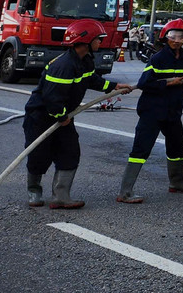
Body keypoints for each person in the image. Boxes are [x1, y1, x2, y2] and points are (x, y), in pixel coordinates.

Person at [22, 20, 133, 208]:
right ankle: (34, 191)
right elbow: (52, 97)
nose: (100, 42)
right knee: (39, 156)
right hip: (41, 117)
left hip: (63, 116)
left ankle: (60, 196)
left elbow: (91, 80)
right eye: (98, 39)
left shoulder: (85, 60)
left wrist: (114, 87)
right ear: (86, 41)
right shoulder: (63, 65)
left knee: (70, 152)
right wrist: (62, 116)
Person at [116, 18, 183, 202]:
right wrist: (168, 83)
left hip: (173, 111)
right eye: (173, 36)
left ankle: (177, 182)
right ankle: (125, 191)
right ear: (165, 38)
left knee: (177, 145)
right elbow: (144, 83)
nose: (177, 40)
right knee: (141, 148)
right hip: (152, 110)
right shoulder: (158, 58)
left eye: (181, 37)